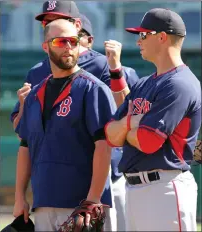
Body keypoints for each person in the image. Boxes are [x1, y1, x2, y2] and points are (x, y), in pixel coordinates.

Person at [10, 2, 139, 230]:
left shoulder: (96, 83)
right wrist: (20, 196)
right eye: (60, 41)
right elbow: (25, 144)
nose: (68, 47)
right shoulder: (35, 88)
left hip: (86, 198)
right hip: (44, 199)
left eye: (73, 41)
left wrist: (92, 199)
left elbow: (105, 143)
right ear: (45, 45)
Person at [104, 8, 201, 231]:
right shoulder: (144, 83)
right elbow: (110, 135)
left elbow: (148, 142)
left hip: (165, 188)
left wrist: (125, 129)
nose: (139, 41)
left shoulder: (180, 84)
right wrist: (130, 123)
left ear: (162, 37)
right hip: (135, 190)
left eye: (143, 35)